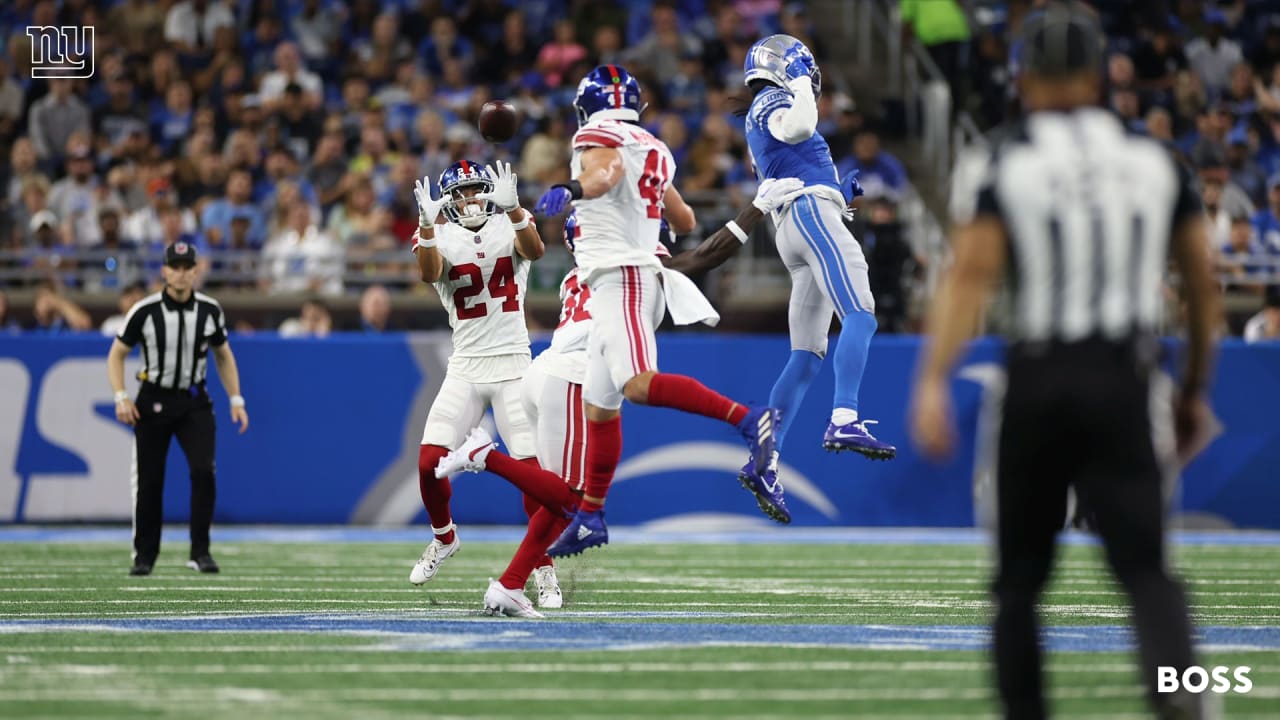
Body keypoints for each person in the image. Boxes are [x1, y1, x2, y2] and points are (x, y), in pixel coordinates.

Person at [908, 5, 1219, 719]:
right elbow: (1202, 284)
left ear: (1025, 79)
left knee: (1018, 583)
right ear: (1097, 74)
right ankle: (1186, 705)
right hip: (1122, 376)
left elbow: (971, 275)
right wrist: (1195, 388)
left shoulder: (1007, 160)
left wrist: (931, 380)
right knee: (1147, 573)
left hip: (1039, 378)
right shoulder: (1155, 163)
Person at [436, 178, 807, 618]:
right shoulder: (625, 263)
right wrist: (758, 207)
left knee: (561, 499)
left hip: (560, 370)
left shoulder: (585, 269)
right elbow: (706, 254)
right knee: (567, 495)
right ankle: (487, 457)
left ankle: (512, 584)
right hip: (570, 374)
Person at [533, 65, 778, 558]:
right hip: (625, 278)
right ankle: (591, 515)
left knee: (638, 385)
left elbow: (608, 172)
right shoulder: (657, 148)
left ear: (587, 104)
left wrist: (576, 191)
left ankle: (750, 419)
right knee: (600, 409)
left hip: (623, 274)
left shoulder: (595, 134)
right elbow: (684, 218)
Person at [742, 34, 894, 470]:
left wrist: (836, 191)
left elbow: (789, 157)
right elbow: (800, 128)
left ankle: (764, 458)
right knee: (861, 313)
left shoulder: (758, 110)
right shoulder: (773, 100)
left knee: (806, 354)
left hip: (798, 221)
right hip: (809, 215)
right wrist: (801, 85)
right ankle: (844, 416)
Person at [407, 159, 548, 589]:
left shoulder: (510, 223)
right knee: (430, 462)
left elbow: (536, 251)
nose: (470, 199)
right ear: (448, 202)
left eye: (476, 190)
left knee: (532, 473)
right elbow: (429, 273)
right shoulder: (437, 233)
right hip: (466, 367)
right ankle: (444, 537)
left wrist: (517, 209)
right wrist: (428, 227)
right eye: (462, 193)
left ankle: (543, 569)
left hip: (513, 366)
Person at [107, 241, 250, 576]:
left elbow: (223, 354)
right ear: (165, 270)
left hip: (193, 401)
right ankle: (145, 555)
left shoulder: (210, 310)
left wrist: (236, 398)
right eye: (176, 267)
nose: (182, 274)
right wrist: (120, 396)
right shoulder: (144, 310)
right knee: (150, 480)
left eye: (188, 267)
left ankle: (200, 551)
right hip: (153, 400)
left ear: (195, 270)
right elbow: (116, 354)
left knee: (204, 471)